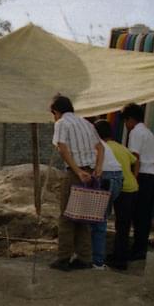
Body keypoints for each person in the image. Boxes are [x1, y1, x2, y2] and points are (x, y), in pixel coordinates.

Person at [48, 95, 104, 272]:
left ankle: (63, 257)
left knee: (67, 216)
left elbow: (62, 147)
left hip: (76, 173)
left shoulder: (61, 123)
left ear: (56, 111)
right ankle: (84, 258)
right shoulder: (86, 123)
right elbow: (100, 148)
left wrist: (77, 170)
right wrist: (98, 168)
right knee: (82, 217)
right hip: (90, 172)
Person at [94, 119, 137, 271]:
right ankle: (120, 259)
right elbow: (135, 159)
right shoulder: (120, 147)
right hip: (129, 187)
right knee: (123, 225)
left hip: (114, 185)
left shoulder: (101, 147)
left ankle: (99, 257)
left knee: (100, 219)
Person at [122, 102, 154, 262]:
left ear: (130, 119)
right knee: (144, 216)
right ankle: (140, 248)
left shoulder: (136, 133)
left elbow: (135, 158)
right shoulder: (148, 132)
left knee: (138, 215)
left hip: (143, 175)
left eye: (125, 121)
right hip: (152, 176)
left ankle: (137, 250)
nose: (125, 125)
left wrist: (133, 179)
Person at [88, 120, 124, 270]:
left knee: (96, 222)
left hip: (106, 178)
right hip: (117, 179)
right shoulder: (104, 144)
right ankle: (96, 259)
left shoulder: (92, 143)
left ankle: (96, 260)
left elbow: (91, 165)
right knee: (100, 220)